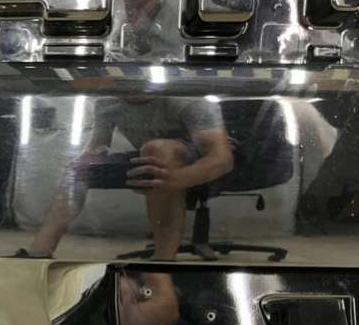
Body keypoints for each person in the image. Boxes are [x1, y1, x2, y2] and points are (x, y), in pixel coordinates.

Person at [21, 94, 234, 261]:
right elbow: (98, 147)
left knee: (157, 151)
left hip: (217, 166)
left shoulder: (185, 100)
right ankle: (39, 252)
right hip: (153, 157)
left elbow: (222, 159)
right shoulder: (107, 102)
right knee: (77, 168)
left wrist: (176, 178)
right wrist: (82, 164)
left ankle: (163, 263)